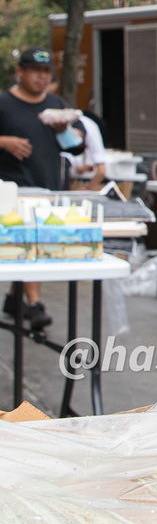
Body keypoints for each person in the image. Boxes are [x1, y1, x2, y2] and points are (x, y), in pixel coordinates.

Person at [0, 47, 68, 330]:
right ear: (20, 72)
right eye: (35, 71)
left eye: (46, 72)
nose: (41, 77)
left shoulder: (55, 104)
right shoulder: (3, 103)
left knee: (30, 247)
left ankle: (13, 299)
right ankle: (35, 304)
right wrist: (4, 142)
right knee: (30, 242)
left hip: (48, 185)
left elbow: (74, 146)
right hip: (12, 189)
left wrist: (66, 130)